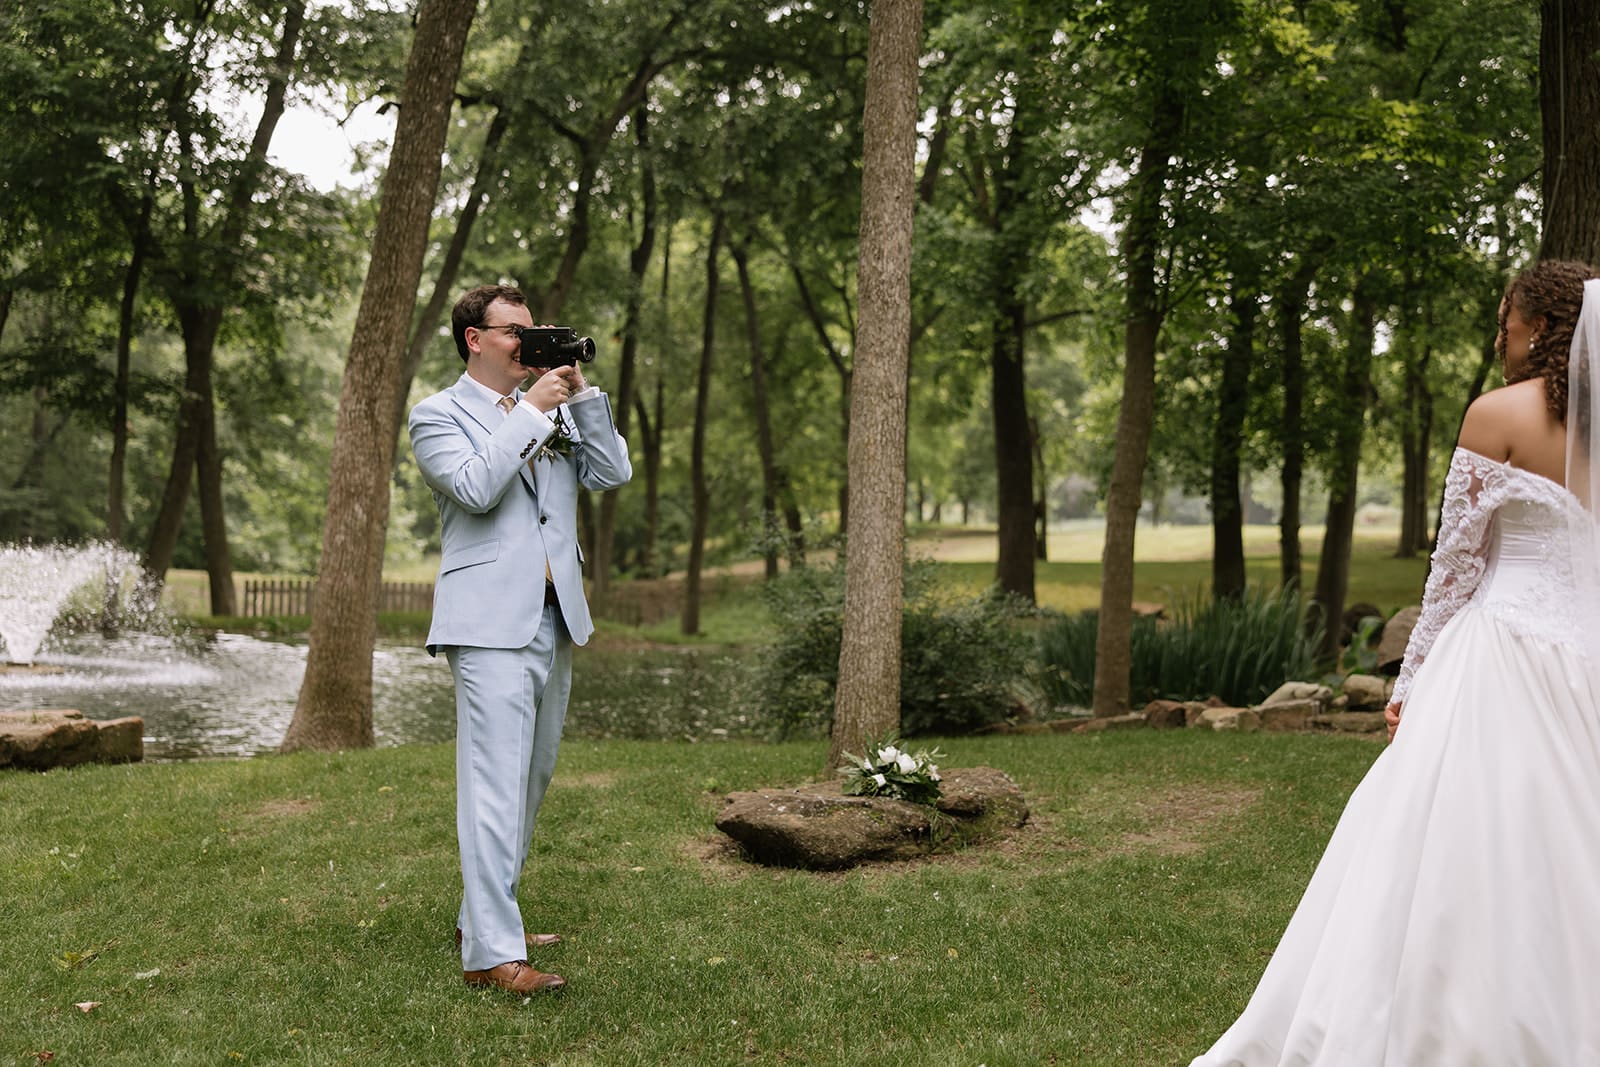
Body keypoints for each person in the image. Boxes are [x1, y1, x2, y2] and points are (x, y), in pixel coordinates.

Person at [1192, 259, 1600, 1064]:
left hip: (1503, 658)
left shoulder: (1496, 415)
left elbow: (1452, 569)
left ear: (1544, 328)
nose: (1499, 337)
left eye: (1507, 321)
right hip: (1586, 657)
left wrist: (1409, 680)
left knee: (1457, 844)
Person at [408, 284, 632, 995]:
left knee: (528, 781)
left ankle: (484, 916)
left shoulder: (556, 412)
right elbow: (474, 487)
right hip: (486, 623)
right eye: (516, 332)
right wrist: (530, 414)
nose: (529, 343)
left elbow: (612, 472)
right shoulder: (436, 415)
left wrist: (582, 400)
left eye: (535, 332)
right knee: (493, 788)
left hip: (553, 614)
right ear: (475, 338)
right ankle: (491, 955)